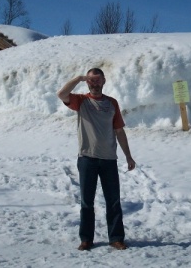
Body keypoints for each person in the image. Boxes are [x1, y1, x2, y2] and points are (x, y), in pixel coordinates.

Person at [57, 68, 136, 251]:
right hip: (87, 159)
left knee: (113, 201)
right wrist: (79, 77)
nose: (94, 83)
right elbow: (61, 94)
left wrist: (128, 156)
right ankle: (86, 239)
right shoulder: (81, 101)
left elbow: (119, 131)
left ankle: (116, 238)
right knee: (87, 201)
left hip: (109, 159)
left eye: (98, 80)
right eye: (91, 80)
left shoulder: (112, 103)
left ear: (104, 81)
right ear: (87, 82)